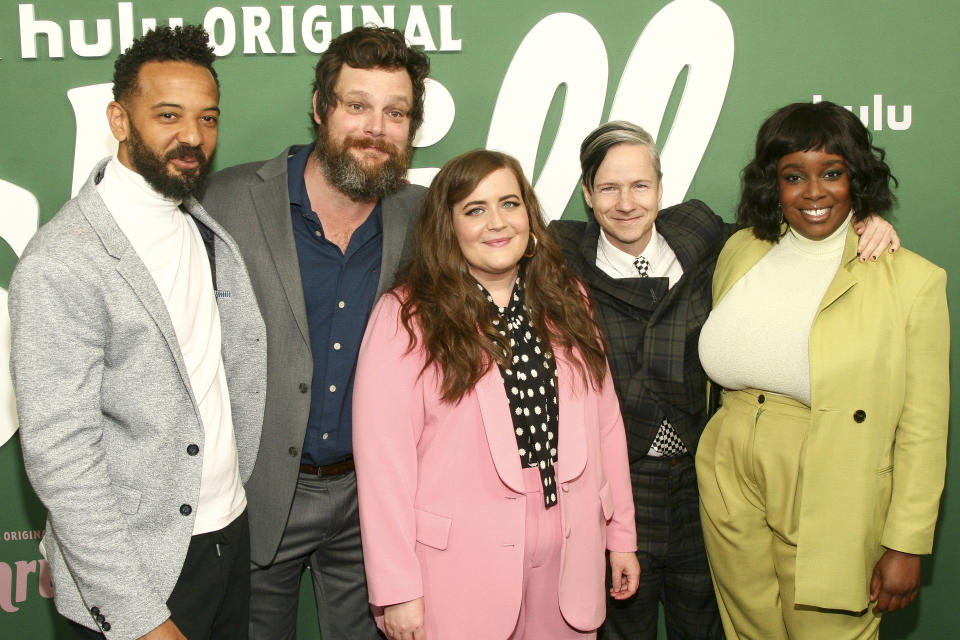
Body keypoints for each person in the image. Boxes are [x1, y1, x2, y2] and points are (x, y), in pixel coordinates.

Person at [549, 120, 899, 640]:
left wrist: (866, 221)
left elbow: (795, 228)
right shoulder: (558, 252)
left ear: (661, 188)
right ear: (586, 193)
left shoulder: (700, 231)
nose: (626, 202)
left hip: (703, 482)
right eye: (608, 187)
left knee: (712, 626)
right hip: (615, 488)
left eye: (640, 185)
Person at [8, 25, 266, 640]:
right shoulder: (62, 262)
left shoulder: (199, 226)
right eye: (168, 115)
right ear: (120, 120)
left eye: (208, 118)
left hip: (227, 537)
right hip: (139, 573)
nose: (192, 136)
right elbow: (62, 459)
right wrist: (138, 616)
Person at [352, 149, 640, 640]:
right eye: (475, 209)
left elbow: (606, 422)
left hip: (572, 551)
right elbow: (384, 467)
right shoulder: (407, 317)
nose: (497, 223)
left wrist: (622, 536)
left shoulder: (568, 299)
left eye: (509, 203)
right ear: (448, 226)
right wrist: (397, 589)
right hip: (459, 567)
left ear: (529, 213)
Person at [201, 26, 429, 639]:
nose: (375, 127)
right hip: (260, 497)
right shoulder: (224, 203)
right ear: (320, 108)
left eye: (395, 112)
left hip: (374, 503)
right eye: (357, 106)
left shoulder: (422, 216)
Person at [696, 101, 949, 639]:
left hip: (831, 469)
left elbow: (924, 430)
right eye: (794, 176)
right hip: (729, 467)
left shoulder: (912, 281)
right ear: (773, 185)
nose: (814, 192)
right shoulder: (741, 248)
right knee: (748, 629)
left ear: (856, 178)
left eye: (832, 174)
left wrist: (906, 542)